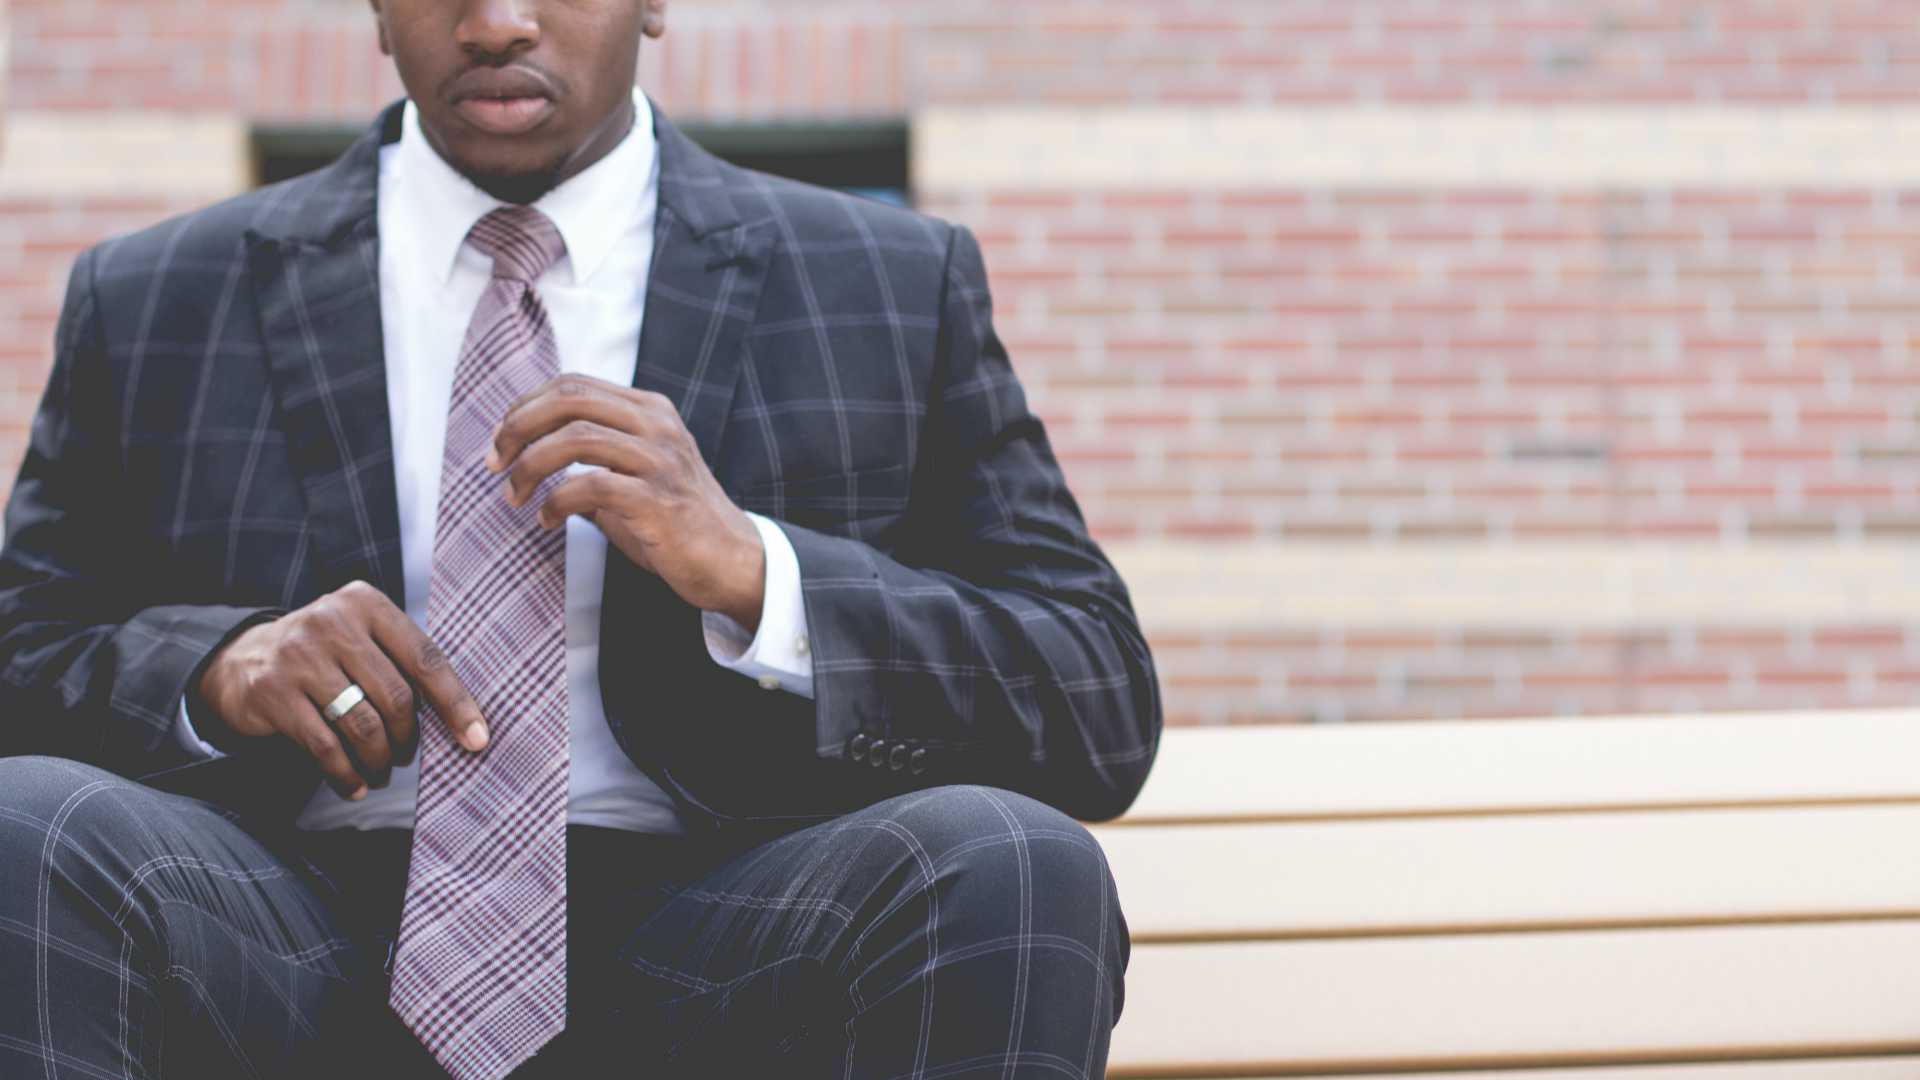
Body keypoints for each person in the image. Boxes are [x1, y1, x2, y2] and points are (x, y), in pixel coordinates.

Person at [0, 1, 1160, 1078]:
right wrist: (216, 673)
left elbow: (1095, 698)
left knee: (1008, 859)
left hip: (728, 929)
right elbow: (21, 657)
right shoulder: (158, 295)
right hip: (279, 927)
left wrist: (763, 578)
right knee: (27, 826)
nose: (498, 23)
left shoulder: (889, 278)